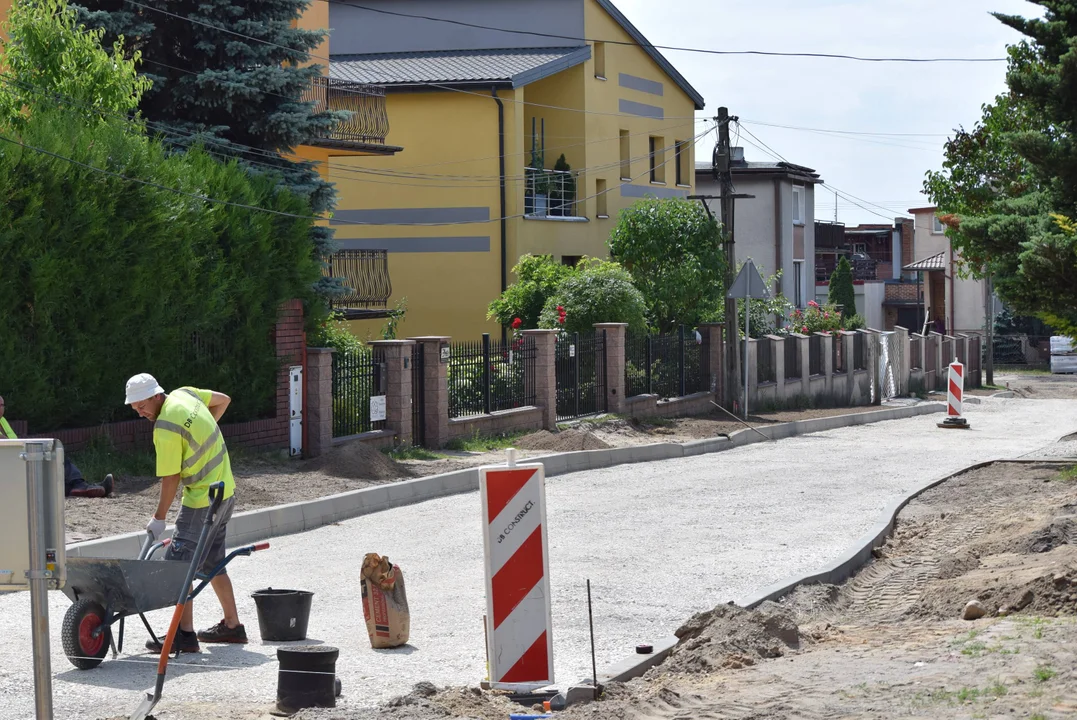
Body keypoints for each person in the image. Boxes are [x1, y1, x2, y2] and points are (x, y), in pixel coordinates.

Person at [125, 373, 247, 653]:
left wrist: (159, 517)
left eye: (141, 405)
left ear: (157, 396)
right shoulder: (185, 394)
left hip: (202, 502)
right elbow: (223, 401)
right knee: (214, 561)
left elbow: (171, 478)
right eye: (133, 407)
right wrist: (203, 432)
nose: (139, 411)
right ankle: (233, 627)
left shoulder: (166, 426)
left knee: (179, 568)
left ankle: (184, 636)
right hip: (225, 491)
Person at [0, 394, 114, 498]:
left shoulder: (3, 421)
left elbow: (16, 445)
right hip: (9, 468)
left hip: (16, 463)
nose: (1, 408)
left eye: (2, 405)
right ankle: (81, 485)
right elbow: (11, 445)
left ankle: (86, 487)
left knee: (54, 476)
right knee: (55, 455)